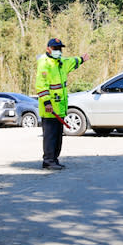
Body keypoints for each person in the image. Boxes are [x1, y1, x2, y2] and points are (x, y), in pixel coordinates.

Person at [35, 38, 88, 170]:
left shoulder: (60, 62)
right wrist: (47, 102)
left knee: (58, 136)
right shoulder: (44, 63)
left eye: (59, 48)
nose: (58, 51)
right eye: (55, 48)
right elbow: (41, 85)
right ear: (48, 49)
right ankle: (48, 160)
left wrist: (82, 59)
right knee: (50, 136)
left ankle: (54, 159)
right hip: (50, 108)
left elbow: (72, 61)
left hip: (60, 108)